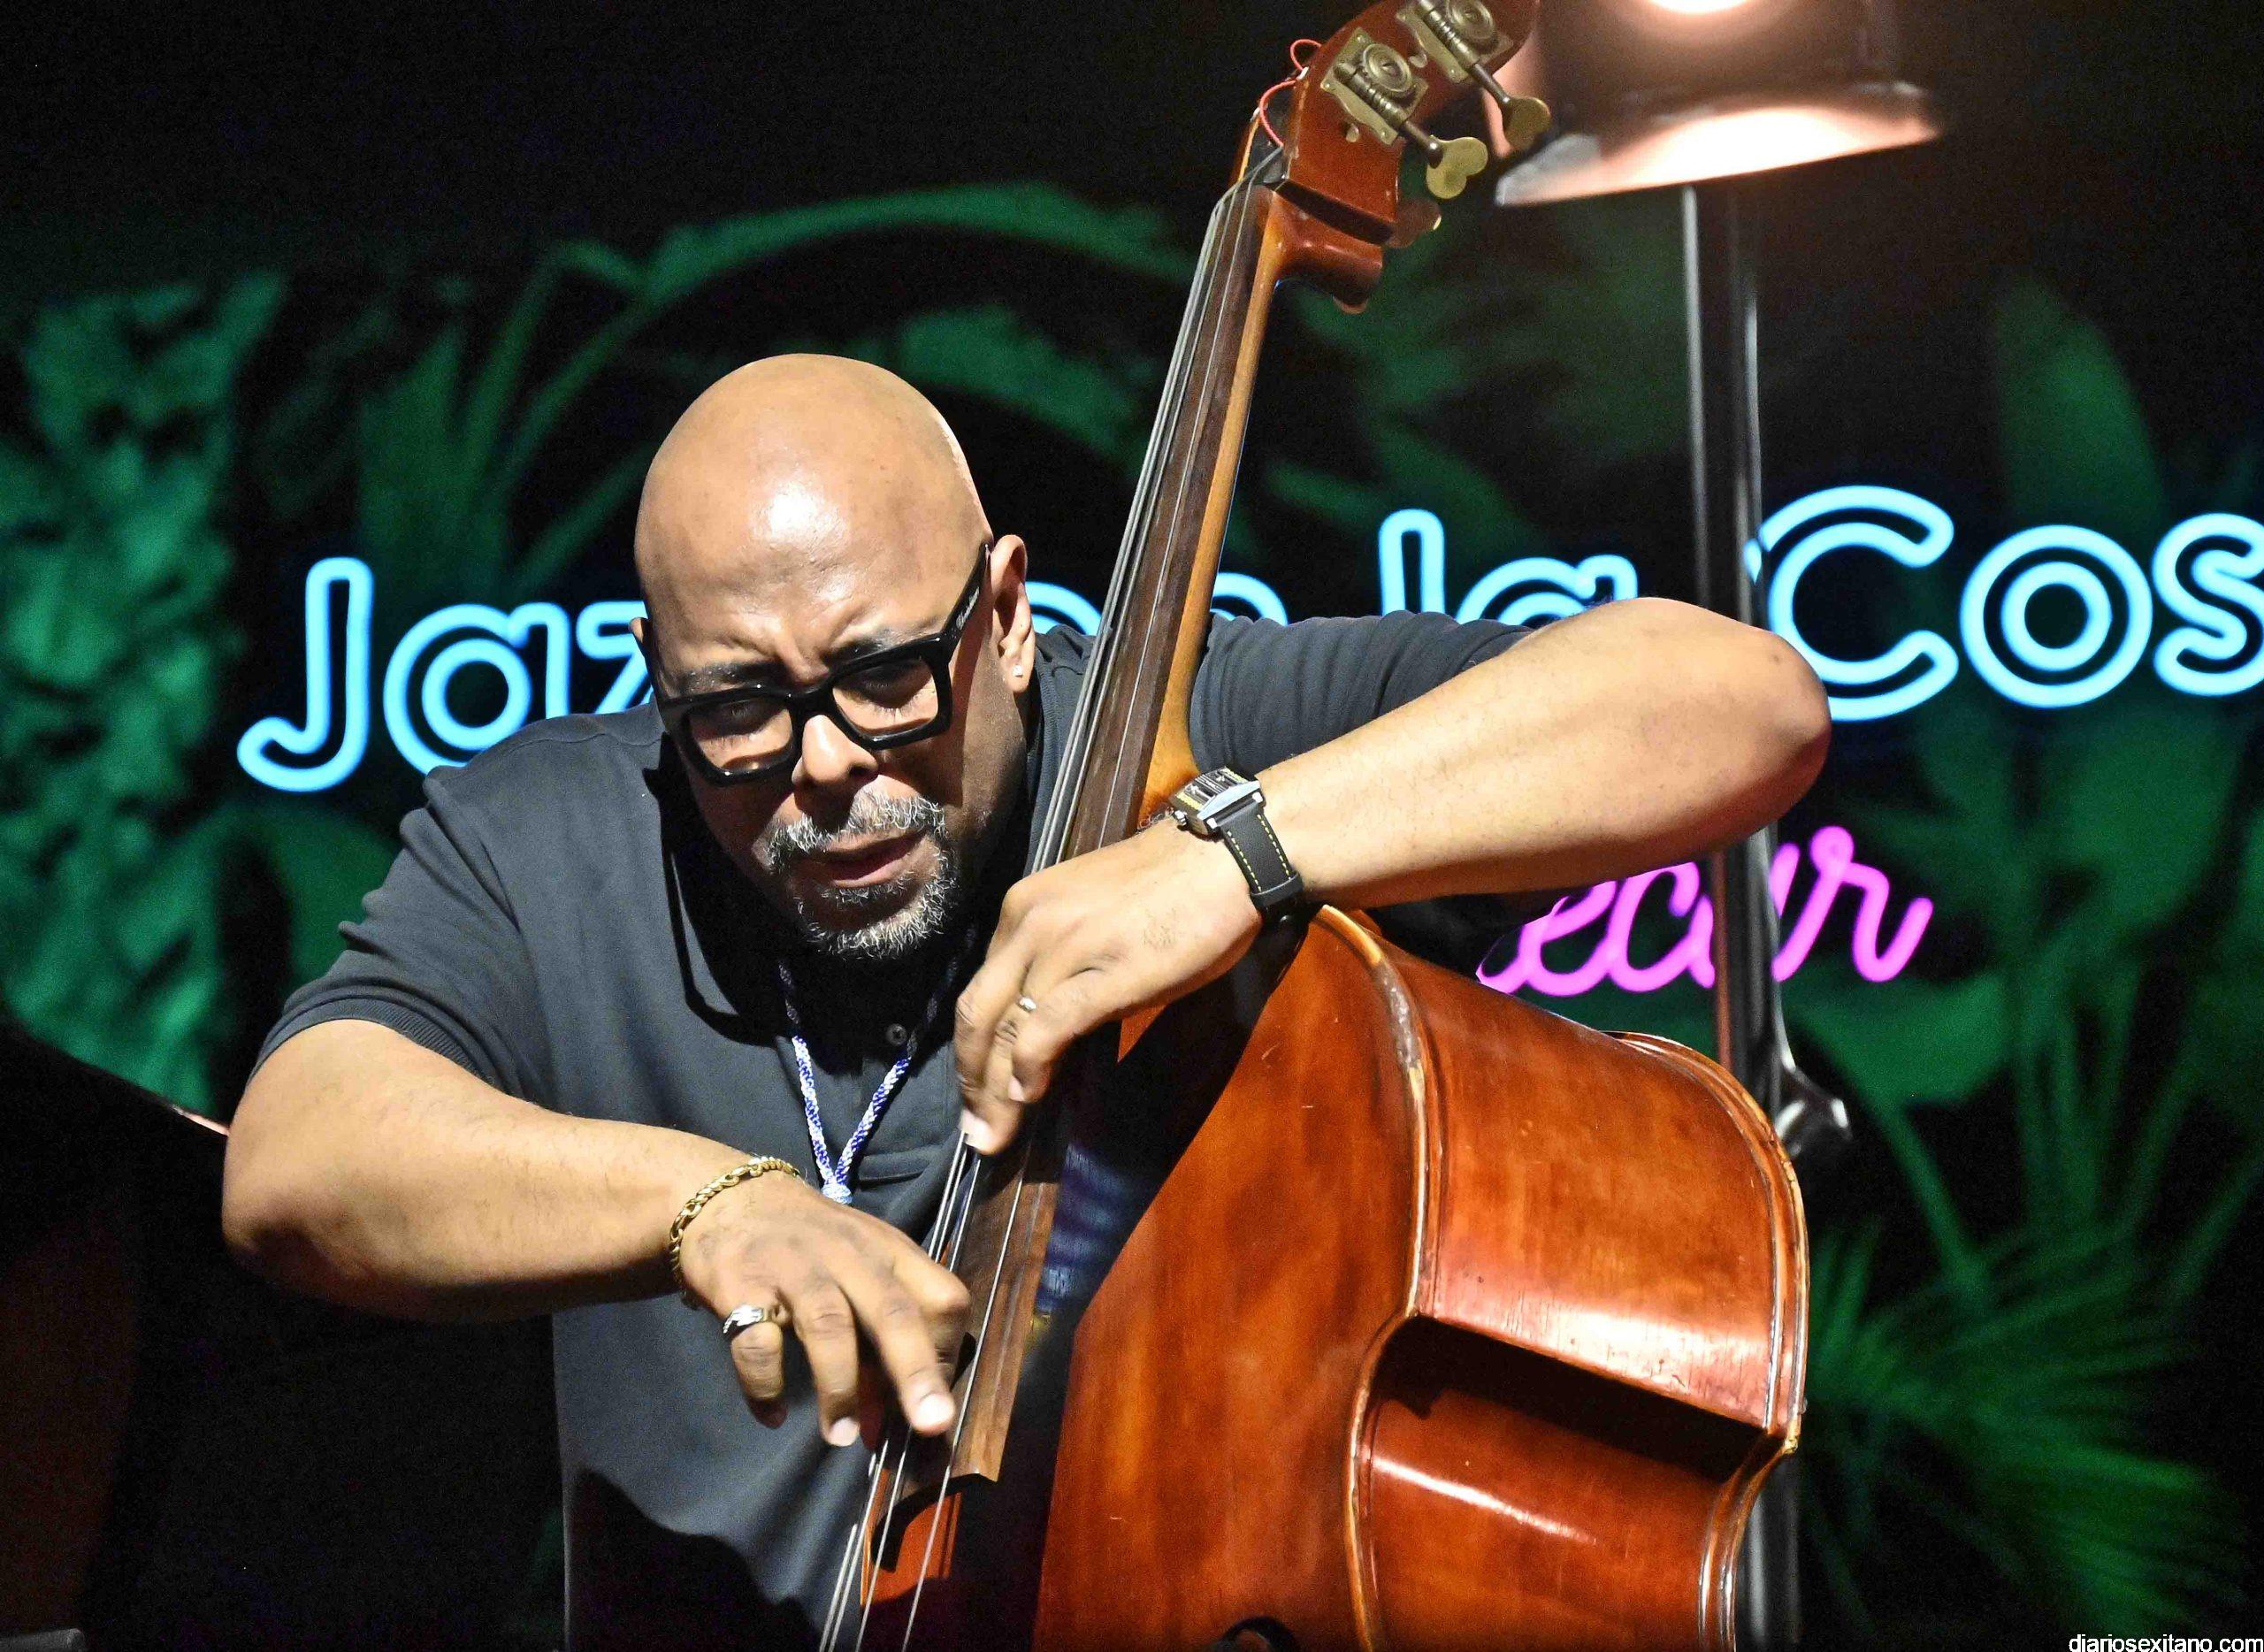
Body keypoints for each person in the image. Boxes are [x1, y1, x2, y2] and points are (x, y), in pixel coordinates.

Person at [221, 354, 1830, 1646]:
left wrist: (1235, 855)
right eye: (739, 709)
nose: (825, 765)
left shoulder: (1190, 741)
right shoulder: (550, 835)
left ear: (1002, 616)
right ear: (659, 675)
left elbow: (1740, 705)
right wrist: (709, 1207)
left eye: (884, 675)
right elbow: (295, 1159)